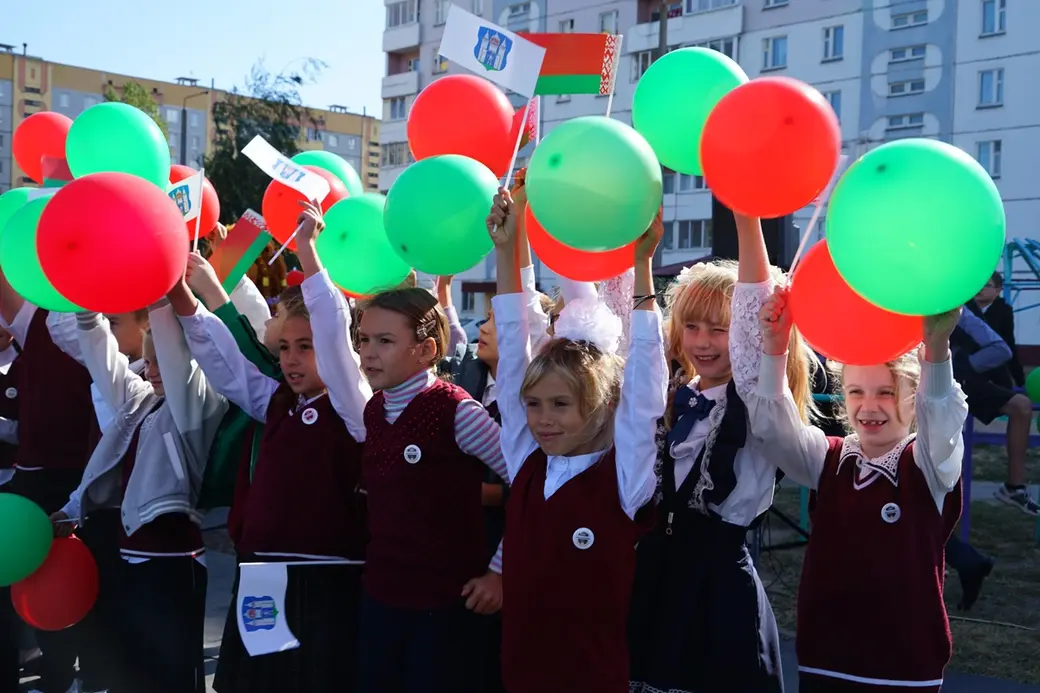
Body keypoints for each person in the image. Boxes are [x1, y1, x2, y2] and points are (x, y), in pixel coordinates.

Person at [289, 200, 507, 693]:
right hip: (383, 600)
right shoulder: (373, 410)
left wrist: (499, 572)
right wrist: (309, 253)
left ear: (426, 349)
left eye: (384, 341)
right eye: (363, 340)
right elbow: (332, 341)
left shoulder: (457, 411)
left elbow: (536, 485)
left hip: (445, 609)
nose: (367, 352)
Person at [628, 214, 817, 693]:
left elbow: (754, 326)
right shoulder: (672, 394)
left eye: (719, 330)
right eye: (691, 327)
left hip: (715, 589)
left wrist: (746, 215)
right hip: (656, 577)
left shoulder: (753, 400)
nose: (703, 342)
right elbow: (640, 338)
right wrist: (642, 261)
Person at [486, 190, 666, 693]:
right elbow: (514, 348)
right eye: (535, 405)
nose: (543, 420)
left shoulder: (624, 481)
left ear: (604, 404)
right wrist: (507, 247)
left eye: (561, 405)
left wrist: (642, 265)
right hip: (520, 677)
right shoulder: (526, 462)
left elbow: (646, 389)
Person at [751, 285, 966, 693]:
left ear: (913, 396)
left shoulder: (928, 463)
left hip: (904, 664)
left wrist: (936, 350)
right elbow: (771, 428)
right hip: (826, 657)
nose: (869, 407)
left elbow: (941, 420)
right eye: (856, 392)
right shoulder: (829, 458)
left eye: (886, 392)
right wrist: (774, 348)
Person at [177, 248, 369, 693]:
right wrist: (181, 297)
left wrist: (309, 252)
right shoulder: (278, 402)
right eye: (284, 347)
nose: (291, 359)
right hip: (263, 576)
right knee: (259, 683)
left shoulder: (355, 410)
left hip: (325, 579)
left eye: (306, 347)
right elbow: (226, 365)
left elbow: (338, 344)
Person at [51, 280, 228, 693]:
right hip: (130, 561)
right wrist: (86, 307)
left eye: (159, 360)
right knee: (133, 673)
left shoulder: (196, 410)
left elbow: (177, 355)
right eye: (146, 362)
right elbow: (104, 362)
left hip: (173, 565)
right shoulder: (142, 401)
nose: (151, 369)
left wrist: (161, 290)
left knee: (170, 677)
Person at [0, 272, 100, 693]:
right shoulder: (36, 317)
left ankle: (65, 677)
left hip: (78, 479)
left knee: (67, 583)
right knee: (12, 580)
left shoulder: (98, 324)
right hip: (30, 480)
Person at [950, 309, 1039, 515]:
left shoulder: (956, 306)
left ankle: (1014, 487)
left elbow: (1002, 349)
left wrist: (962, 367)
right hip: (913, 380)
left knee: (1021, 406)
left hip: (953, 377)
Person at [968, 271, 1024, 387]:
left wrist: (1019, 380)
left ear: (998, 290)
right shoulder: (964, 310)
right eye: (978, 284)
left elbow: (1008, 342)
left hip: (995, 365)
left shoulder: (1003, 311)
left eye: (986, 285)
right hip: (967, 365)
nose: (980, 289)